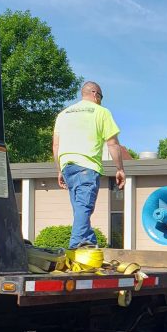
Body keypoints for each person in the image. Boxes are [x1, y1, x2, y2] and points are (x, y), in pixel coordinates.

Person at [52, 81, 125, 249]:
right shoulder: (101, 112)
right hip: (87, 166)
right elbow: (113, 144)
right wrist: (120, 169)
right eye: (100, 97)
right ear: (95, 94)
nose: (100, 100)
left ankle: (89, 243)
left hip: (67, 168)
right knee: (84, 208)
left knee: (80, 210)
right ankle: (76, 248)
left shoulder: (63, 114)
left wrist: (59, 170)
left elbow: (56, 145)